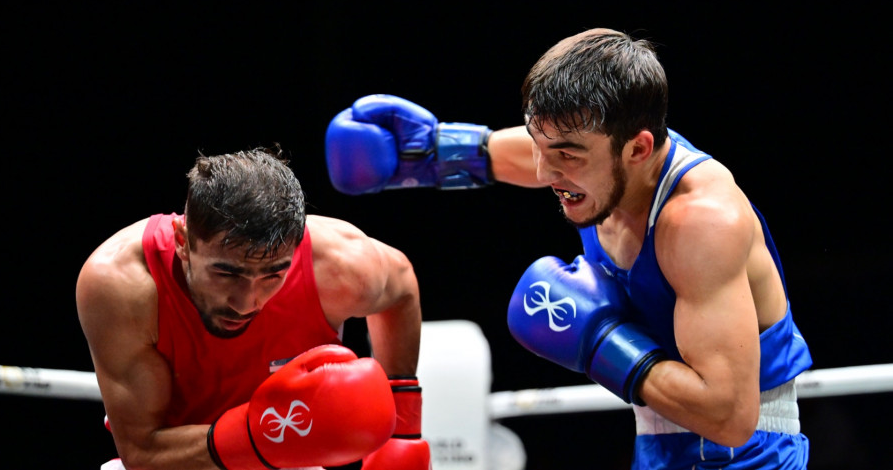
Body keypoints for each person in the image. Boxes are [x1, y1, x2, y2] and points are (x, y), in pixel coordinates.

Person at [325, 28, 813, 469]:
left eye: (565, 156)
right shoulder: (596, 156)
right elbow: (521, 151)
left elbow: (731, 418)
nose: (543, 171)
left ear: (639, 149)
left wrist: (601, 341)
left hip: (746, 456)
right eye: (540, 143)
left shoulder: (700, 223)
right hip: (659, 444)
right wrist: (429, 152)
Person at [76, 146, 432, 470]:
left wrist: (403, 428)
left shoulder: (340, 264)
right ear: (183, 241)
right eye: (227, 272)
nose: (248, 302)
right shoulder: (123, 283)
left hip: (288, 460)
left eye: (274, 274)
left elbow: (401, 288)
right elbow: (142, 451)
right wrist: (254, 435)